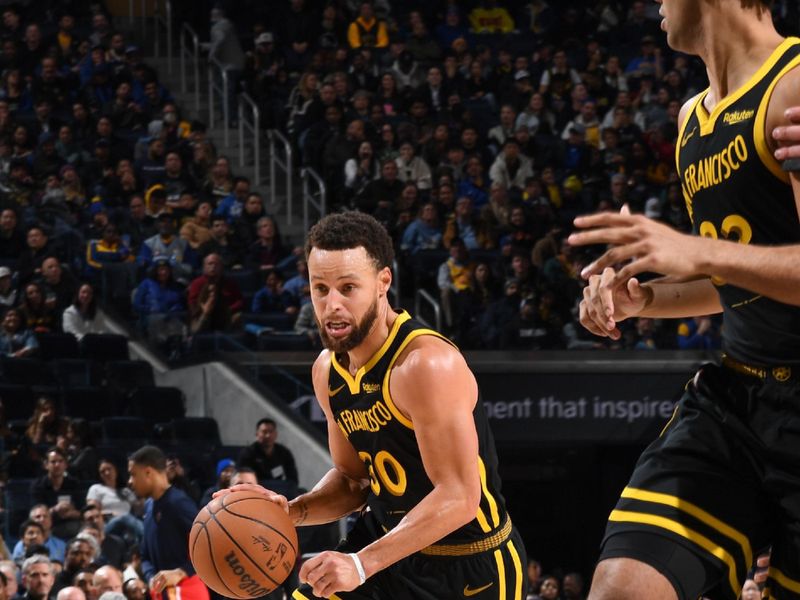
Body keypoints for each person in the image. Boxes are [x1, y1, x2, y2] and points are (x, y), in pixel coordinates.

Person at [569, 2, 800, 599]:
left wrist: (701, 253)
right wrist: (639, 301)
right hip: (737, 400)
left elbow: (718, 260)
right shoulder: (693, 119)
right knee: (621, 587)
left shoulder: (794, 81)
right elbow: (737, 279)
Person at [219, 211, 526, 599]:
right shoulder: (327, 372)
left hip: (468, 564)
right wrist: (289, 513)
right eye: (320, 289)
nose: (332, 305)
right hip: (385, 551)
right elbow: (353, 482)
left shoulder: (425, 365)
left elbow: (459, 498)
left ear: (383, 283)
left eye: (348, 288)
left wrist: (361, 564)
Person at [127, 446, 207, 600]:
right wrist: (151, 576)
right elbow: (144, 555)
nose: (130, 481)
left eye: (133, 474)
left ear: (148, 472)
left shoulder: (178, 503)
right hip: (161, 593)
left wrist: (182, 572)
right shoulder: (150, 505)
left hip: (186, 590)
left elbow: (208, 547)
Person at [237, 419, 298, 485]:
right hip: (256, 488)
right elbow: (243, 477)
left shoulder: (284, 453)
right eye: (264, 432)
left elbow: (292, 478)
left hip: (278, 489)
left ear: (276, 434)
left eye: (271, 431)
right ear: (257, 434)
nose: (268, 435)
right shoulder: (247, 453)